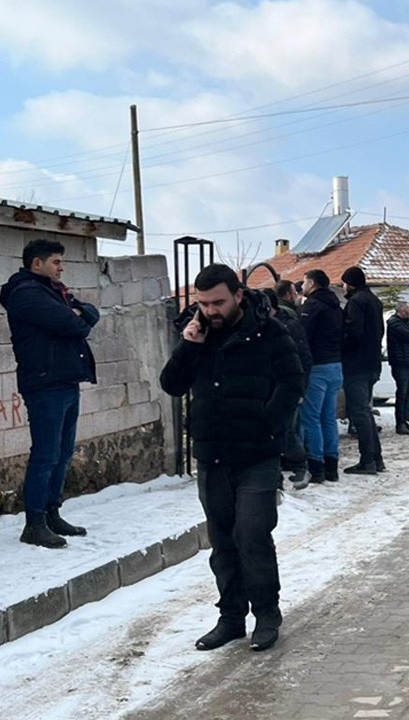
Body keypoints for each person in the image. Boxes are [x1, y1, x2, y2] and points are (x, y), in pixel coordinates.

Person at [159, 264, 303, 652]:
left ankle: (267, 615)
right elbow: (172, 385)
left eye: (217, 302)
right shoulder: (197, 333)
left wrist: (268, 422)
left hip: (257, 454)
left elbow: (293, 381)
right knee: (223, 540)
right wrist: (189, 345)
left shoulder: (270, 331)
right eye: (203, 303)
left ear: (239, 295)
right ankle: (231, 618)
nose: (210, 310)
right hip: (212, 455)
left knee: (252, 534)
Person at [0, 239, 100, 548]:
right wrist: (81, 315)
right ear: (37, 264)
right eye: (56, 261)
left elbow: (87, 312)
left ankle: (52, 513)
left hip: (65, 379)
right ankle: (35, 523)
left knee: (63, 452)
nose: (62, 266)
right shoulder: (26, 293)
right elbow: (76, 324)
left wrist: (83, 314)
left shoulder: (52, 291)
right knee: (45, 455)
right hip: (45, 384)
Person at [298, 269, 344, 483]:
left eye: (305, 281)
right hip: (336, 365)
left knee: (311, 418)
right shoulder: (336, 306)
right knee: (328, 418)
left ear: (313, 283)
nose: (302, 285)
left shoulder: (312, 306)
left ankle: (316, 466)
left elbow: (302, 336)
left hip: (317, 366)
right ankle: (332, 465)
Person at [340, 266, 385, 474]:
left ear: (350, 283)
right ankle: (376, 458)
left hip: (356, 364)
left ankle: (368, 460)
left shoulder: (356, 302)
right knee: (366, 412)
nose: (342, 287)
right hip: (372, 363)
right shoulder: (374, 301)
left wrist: (343, 349)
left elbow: (353, 332)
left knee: (360, 414)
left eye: (344, 283)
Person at [268, 283, 313, 490]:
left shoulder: (288, 325)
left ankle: (299, 466)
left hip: (287, 386)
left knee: (286, 428)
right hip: (266, 387)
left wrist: (300, 388)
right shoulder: (257, 327)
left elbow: (303, 359)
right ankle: (275, 473)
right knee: (274, 430)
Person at [386, 302, 409, 435]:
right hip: (400, 362)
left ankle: (405, 419)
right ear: (402, 311)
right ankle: (400, 423)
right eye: (408, 310)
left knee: (408, 393)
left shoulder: (406, 322)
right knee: (402, 393)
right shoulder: (394, 323)